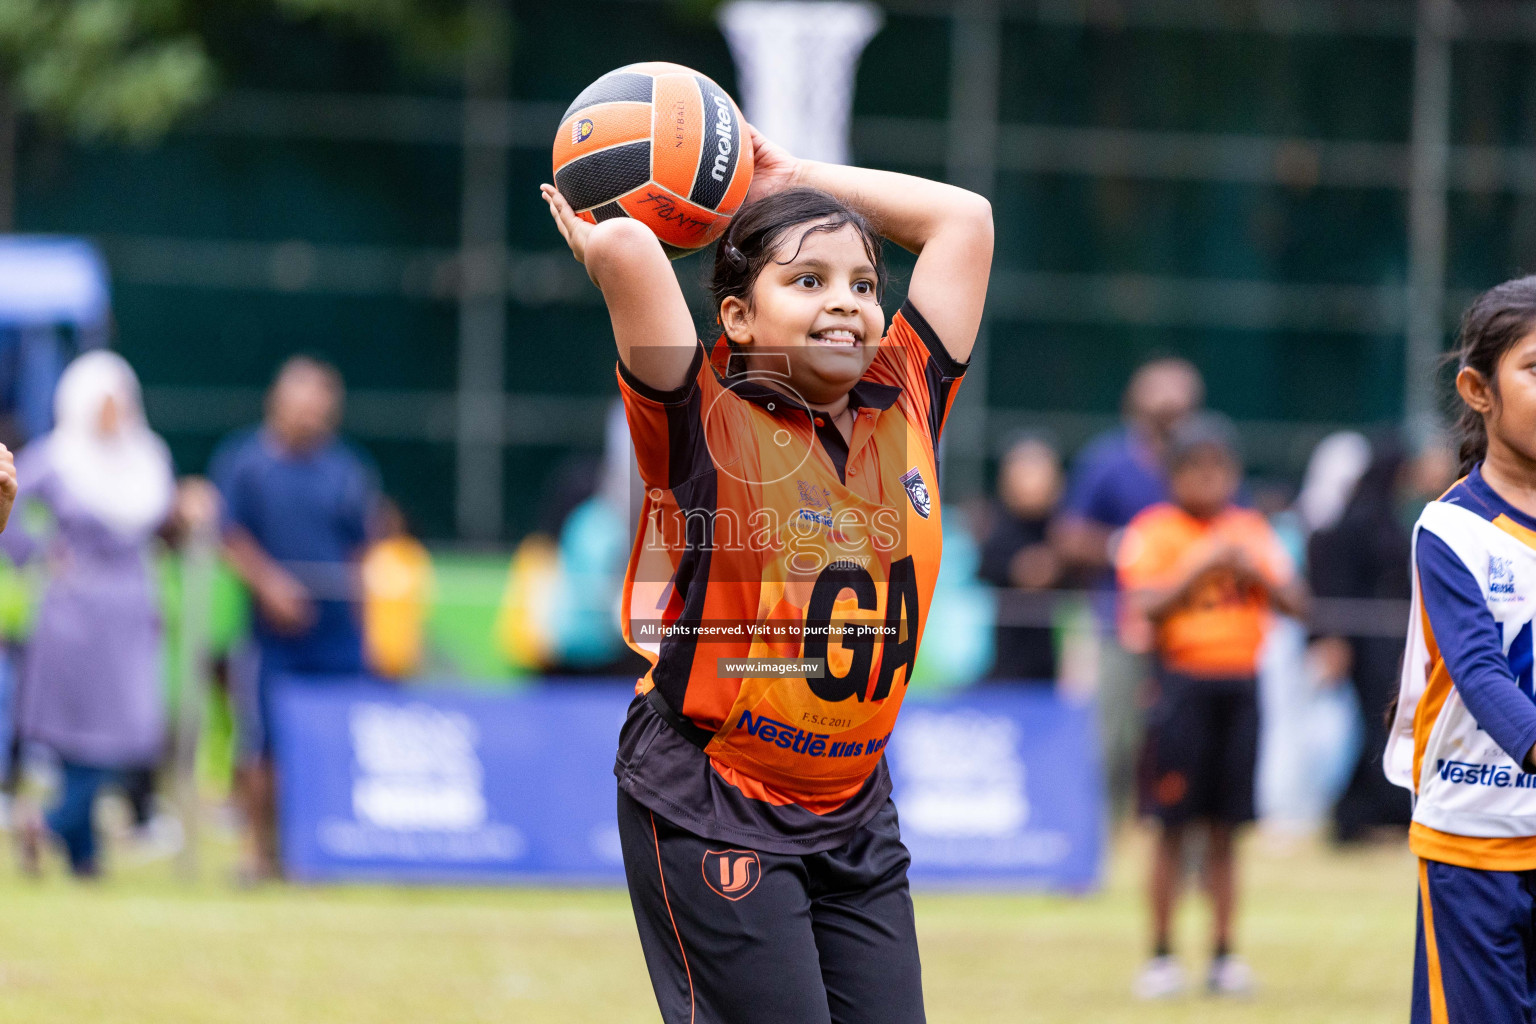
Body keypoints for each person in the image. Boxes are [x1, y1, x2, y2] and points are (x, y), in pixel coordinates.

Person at [542, 117, 991, 1024]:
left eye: (865, 284)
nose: (849, 302)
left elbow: (965, 221)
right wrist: (664, 204)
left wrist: (790, 177)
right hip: (716, 795)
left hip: (854, 807)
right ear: (737, 319)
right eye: (809, 280)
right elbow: (630, 248)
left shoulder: (904, 394)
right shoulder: (703, 419)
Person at [1384, 276, 1536, 1024]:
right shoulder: (1451, 529)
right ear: (1478, 388)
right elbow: (1479, 669)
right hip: (1477, 841)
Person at [1116, 414, 1305, 999]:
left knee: (1228, 829)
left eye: (1220, 470)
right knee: (1170, 827)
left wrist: (1253, 574)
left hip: (1240, 686)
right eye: (1197, 470)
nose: (1209, 481)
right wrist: (1200, 568)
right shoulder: (1156, 530)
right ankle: (1161, 954)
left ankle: (1224, 953)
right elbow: (1145, 607)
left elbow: (1297, 604)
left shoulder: (1251, 530)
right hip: (1181, 687)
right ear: (1174, 476)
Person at [2, 352, 176, 876]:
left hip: (131, 607)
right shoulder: (59, 457)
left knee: (130, 731)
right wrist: (39, 552)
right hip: (76, 612)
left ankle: (59, 831)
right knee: (82, 736)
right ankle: (77, 846)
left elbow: (161, 523)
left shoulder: (147, 457)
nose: (112, 415)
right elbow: (11, 507)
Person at [211, 356, 377, 881]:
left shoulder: (347, 470)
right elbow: (229, 536)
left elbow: (363, 548)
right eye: (302, 400)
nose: (312, 412)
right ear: (278, 402)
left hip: (336, 638)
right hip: (271, 637)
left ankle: (324, 851)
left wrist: (364, 622)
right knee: (263, 745)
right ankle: (261, 854)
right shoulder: (246, 462)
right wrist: (270, 587)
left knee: (333, 743)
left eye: (322, 402)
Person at [1057, 358, 1205, 810]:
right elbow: (1068, 536)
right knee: (1113, 736)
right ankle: (1100, 833)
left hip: (1193, 627)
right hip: (1119, 620)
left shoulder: (1203, 463)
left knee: (1187, 740)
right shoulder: (1109, 461)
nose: (1171, 412)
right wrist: (1125, 546)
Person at [1308, 440, 1414, 843]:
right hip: (1363, 641)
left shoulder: (1387, 516)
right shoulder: (1356, 523)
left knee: (1380, 720)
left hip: (1386, 640)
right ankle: (1354, 812)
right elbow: (1337, 584)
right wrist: (1331, 637)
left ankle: (1367, 809)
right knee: (1371, 722)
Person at [977, 434, 1064, 683]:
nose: (1033, 482)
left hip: (1050, 668)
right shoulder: (996, 528)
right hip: (1003, 663)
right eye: (1025, 472)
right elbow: (988, 569)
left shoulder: (1063, 531)